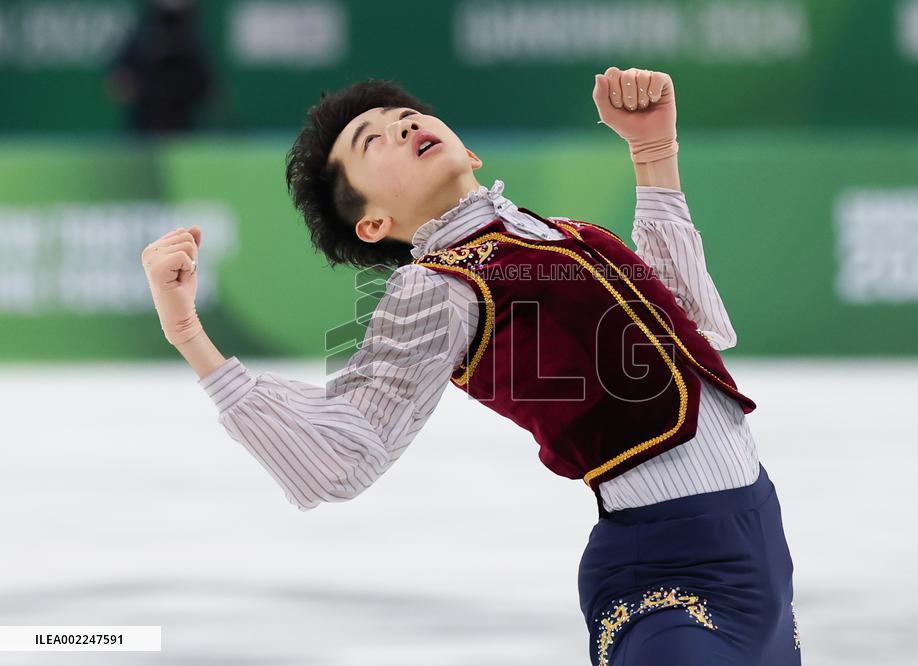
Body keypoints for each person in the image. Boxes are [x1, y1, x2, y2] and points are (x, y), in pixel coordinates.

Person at [140, 67, 800, 665]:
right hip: (665, 574)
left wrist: (653, 152)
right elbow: (341, 457)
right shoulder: (436, 286)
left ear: (471, 152)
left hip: (760, 548)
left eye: (407, 119)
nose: (403, 129)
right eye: (374, 142)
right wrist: (188, 333)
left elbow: (693, 325)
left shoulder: (571, 235)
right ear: (372, 225)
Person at [106, 0, 214, 134]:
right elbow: (118, 82)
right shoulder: (142, 36)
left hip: (182, 127)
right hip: (144, 126)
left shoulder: (193, 40)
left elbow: (208, 90)